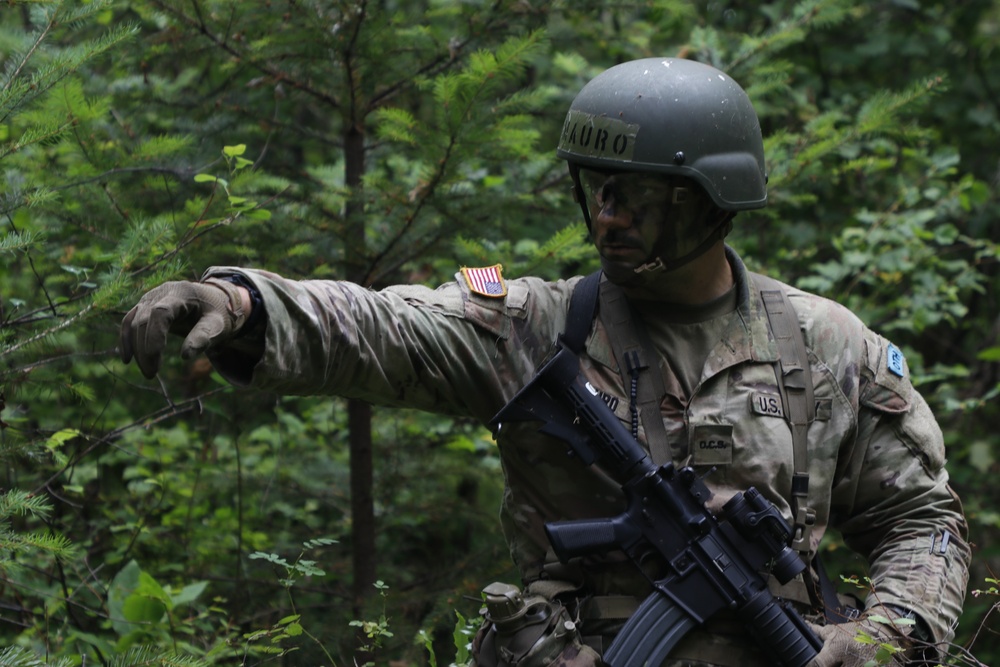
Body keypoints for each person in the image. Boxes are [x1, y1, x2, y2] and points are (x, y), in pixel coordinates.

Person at [120, 58, 970, 666]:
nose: (606, 217)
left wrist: (884, 637)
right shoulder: (538, 326)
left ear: (711, 201)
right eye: (594, 188)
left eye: (633, 194)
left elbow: (922, 518)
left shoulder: (822, 343)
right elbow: (380, 326)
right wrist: (238, 305)